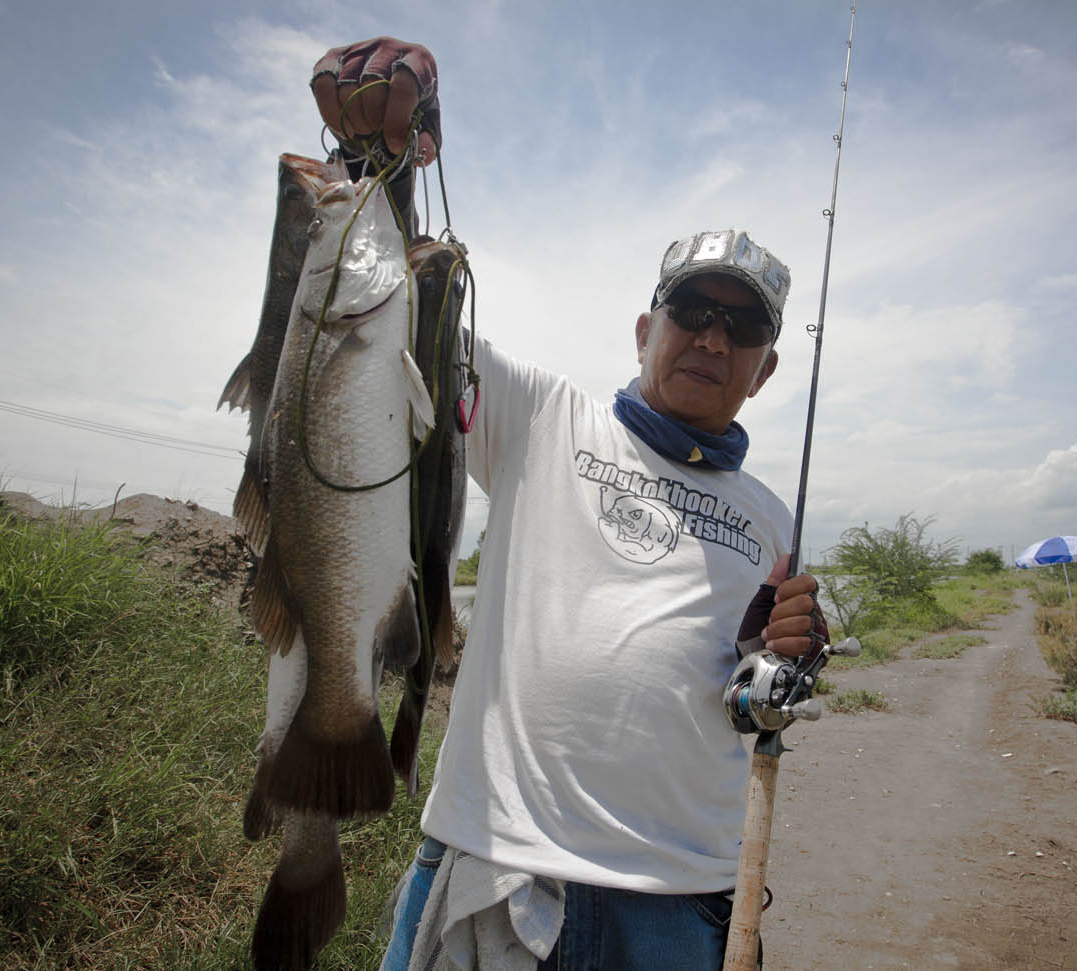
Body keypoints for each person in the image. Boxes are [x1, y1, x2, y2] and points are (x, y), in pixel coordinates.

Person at [310, 37, 828, 970]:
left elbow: (743, 700)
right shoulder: (541, 415)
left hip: (680, 903)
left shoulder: (770, 519)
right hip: (496, 863)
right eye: (690, 311)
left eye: (742, 326)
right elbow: (392, 320)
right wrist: (380, 166)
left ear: (767, 367)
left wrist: (775, 667)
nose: (712, 337)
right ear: (645, 329)